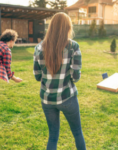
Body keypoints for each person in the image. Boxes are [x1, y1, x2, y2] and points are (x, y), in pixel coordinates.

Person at [33, 12, 86, 150]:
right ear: (68, 28)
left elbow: (37, 76)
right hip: (67, 98)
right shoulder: (73, 46)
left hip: (47, 100)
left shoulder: (39, 47)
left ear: (51, 27)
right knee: (77, 133)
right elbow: (76, 77)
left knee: (53, 136)